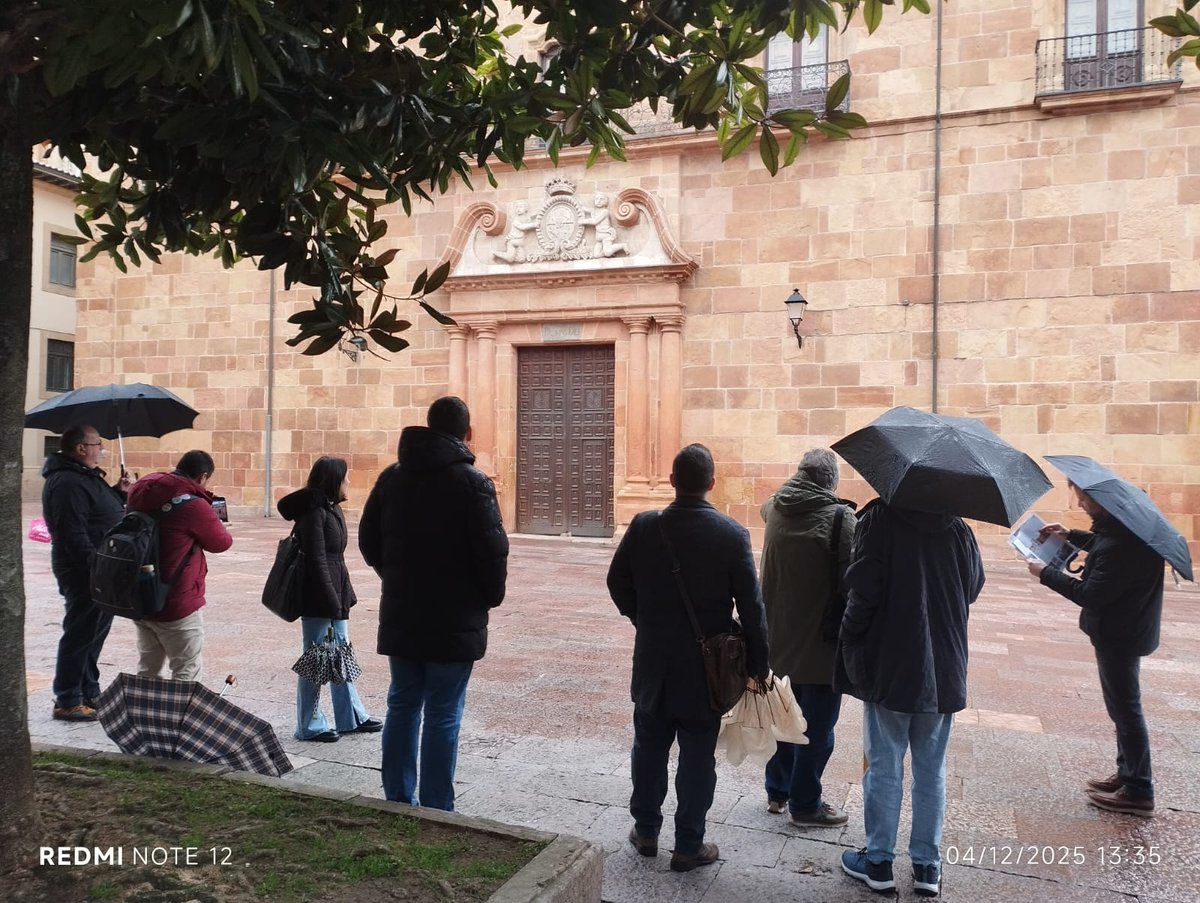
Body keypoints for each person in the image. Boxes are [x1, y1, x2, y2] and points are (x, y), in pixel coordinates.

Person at [607, 443, 769, 872]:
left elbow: (616, 581)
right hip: (706, 672)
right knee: (698, 758)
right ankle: (688, 845)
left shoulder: (644, 526)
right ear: (712, 484)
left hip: (654, 664)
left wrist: (643, 620)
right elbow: (752, 608)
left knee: (648, 747)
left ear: (674, 482)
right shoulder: (732, 535)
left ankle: (645, 831)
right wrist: (759, 665)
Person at [359, 396, 509, 810]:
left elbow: (368, 539)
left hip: (404, 611)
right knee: (444, 710)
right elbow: (491, 552)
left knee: (403, 702)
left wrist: (396, 578)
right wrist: (488, 597)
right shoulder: (473, 482)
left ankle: (397, 798)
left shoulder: (392, 477)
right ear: (468, 432)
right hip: (454, 616)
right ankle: (438, 807)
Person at [835, 500, 984, 898]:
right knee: (931, 767)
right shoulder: (958, 527)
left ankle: (879, 861)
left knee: (883, 763)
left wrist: (848, 635)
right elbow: (973, 587)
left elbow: (862, 590)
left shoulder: (879, 520)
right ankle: (927, 867)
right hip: (944, 663)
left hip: (891, 661)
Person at [1028, 481, 1163, 817]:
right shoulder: (1125, 531)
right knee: (1122, 708)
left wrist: (1045, 573)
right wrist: (1070, 534)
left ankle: (1138, 789)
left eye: (1082, 496)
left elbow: (1090, 595)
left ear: (1101, 501)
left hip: (1120, 634)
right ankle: (1128, 772)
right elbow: (1105, 544)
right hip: (1127, 629)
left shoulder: (1120, 544)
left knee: (1126, 709)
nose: (1079, 501)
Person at [759, 448, 857, 827]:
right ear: (831, 481)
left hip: (777, 640)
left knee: (783, 720)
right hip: (820, 645)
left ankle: (776, 792)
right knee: (817, 730)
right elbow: (854, 583)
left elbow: (770, 507)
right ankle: (805, 805)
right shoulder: (841, 519)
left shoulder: (774, 507)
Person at [279, 456, 381, 742]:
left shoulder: (330, 508)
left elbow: (334, 560)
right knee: (315, 661)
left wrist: (343, 596)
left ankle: (350, 716)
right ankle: (308, 725)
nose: (349, 482)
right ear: (334, 480)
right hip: (318, 598)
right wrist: (330, 599)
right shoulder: (314, 513)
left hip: (335, 594)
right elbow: (317, 561)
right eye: (345, 477)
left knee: (341, 655)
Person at [41, 425, 128, 721]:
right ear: (81, 448)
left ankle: (89, 692)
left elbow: (97, 511)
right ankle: (67, 698)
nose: (100, 449)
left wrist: (119, 493)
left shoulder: (83, 476)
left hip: (100, 567)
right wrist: (96, 567)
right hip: (84, 570)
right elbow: (72, 532)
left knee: (94, 633)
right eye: (97, 444)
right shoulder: (67, 482)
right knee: (80, 634)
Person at [126, 450, 233, 681]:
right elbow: (221, 543)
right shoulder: (193, 505)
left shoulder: (140, 490)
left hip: (142, 596)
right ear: (203, 476)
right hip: (176, 602)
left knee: (147, 669)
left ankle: (145, 715)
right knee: (186, 670)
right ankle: (177, 718)